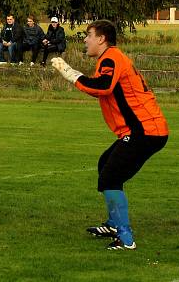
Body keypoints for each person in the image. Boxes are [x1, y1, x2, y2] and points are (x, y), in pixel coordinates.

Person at [51, 20, 168, 250]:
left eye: (89, 35)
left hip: (144, 129)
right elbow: (104, 90)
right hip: (143, 129)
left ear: (101, 38)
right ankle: (114, 224)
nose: (85, 40)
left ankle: (125, 238)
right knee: (106, 164)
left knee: (111, 177)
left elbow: (103, 86)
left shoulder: (111, 57)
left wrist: (71, 74)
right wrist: (76, 77)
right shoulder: (110, 58)